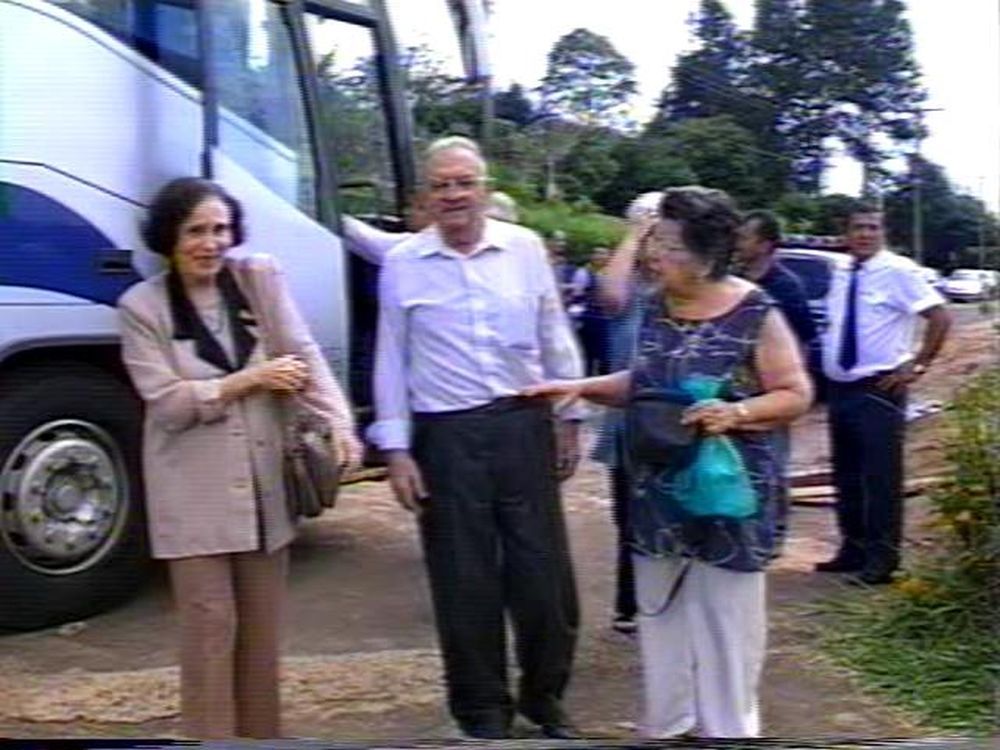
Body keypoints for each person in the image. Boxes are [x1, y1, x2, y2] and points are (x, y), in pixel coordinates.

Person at [523, 186, 813, 738]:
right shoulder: (655, 305)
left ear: (709, 254)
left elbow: (796, 393)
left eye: (670, 245)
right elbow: (645, 384)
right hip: (657, 489)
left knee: (727, 621)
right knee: (659, 613)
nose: (654, 254)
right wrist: (576, 386)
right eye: (655, 240)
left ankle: (728, 728)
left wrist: (737, 412)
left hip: (729, 492)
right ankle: (669, 724)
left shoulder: (755, 311)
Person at [118, 177, 362, 738]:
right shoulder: (141, 307)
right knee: (209, 631)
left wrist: (340, 422)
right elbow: (167, 403)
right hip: (192, 495)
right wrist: (247, 380)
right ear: (169, 238)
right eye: (196, 231)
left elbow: (301, 354)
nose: (210, 243)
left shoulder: (258, 281)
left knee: (262, 636)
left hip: (263, 489)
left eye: (221, 229)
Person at [368, 136, 585, 740]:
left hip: (523, 423)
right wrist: (397, 450)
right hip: (446, 435)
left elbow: (553, 333)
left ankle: (545, 697)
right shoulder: (403, 263)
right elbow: (392, 358)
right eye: (442, 185)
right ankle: (482, 710)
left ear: (485, 190)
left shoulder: (525, 249)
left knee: (543, 575)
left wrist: (568, 414)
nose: (455, 195)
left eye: (465, 182)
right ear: (424, 197)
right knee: (464, 580)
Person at [815, 201, 951, 585]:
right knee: (847, 474)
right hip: (839, 389)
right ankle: (852, 549)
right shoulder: (842, 270)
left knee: (880, 478)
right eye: (858, 227)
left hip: (878, 389)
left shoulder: (899, 271)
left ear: (883, 232)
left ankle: (882, 561)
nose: (864, 234)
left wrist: (918, 363)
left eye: (872, 228)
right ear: (846, 232)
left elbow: (940, 317)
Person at [577, 246, 613, 376]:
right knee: (587, 354)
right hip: (589, 317)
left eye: (603, 254)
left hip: (608, 319)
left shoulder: (613, 273)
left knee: (606, 355)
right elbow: (578, 295)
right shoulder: (584, 272)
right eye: (597, 253)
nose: (599, 256)